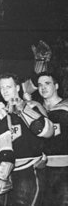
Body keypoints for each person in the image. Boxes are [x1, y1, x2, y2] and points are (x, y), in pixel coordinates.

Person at [0, 73, 53, 206]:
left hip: (29, 171)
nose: (5, 90)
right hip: (8, 174)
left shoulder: (33, 106)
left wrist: (24, 109)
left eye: (9, 87)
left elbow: (48, 132)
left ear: (17, 88)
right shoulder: (0, 112)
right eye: (2, 87)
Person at [37, 72, 68, 205]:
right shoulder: (35, 110)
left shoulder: (66, 107)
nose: (43, 87)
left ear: (56, 86)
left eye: (47, 83)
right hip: (41, 169)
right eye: (39, 85)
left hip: (64, 169)